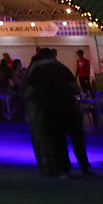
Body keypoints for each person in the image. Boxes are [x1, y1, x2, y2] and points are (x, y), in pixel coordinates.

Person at [25, 47, 87, 177]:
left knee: (58, 141)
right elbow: (75, 88)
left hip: (49, 109)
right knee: (77, 139)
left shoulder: (36, 70)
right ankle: (84, 166)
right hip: (69, 107)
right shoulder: (62, 68)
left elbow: (29, 91)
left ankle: (64, 169)